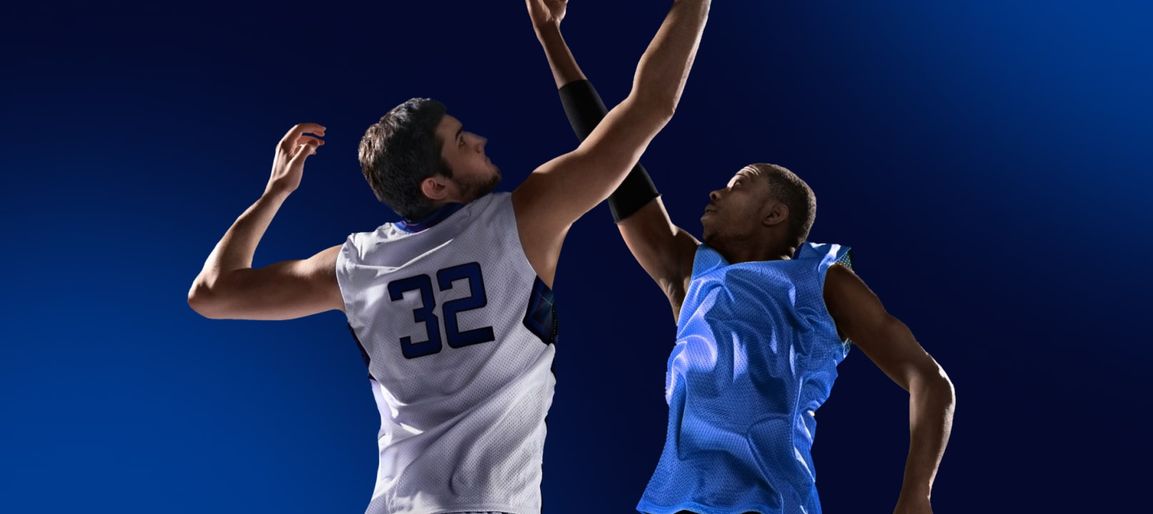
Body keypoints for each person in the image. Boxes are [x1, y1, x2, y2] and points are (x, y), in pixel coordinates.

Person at [187, 2, 711, 513]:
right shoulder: (523, 219)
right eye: (462, 141)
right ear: (436, 185)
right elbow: (651, 105)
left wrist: (275, 192)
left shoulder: (353, 267)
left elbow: (211, 294)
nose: (480, 139)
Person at [527, 1, 955, 513]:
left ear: (775, 215)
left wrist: (916, 493)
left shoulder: (820, 280)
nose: (715, 192)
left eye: (738, 185)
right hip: (671, 505)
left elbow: (928, 379)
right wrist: (551, 37)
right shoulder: (688, 272)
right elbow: (609, 154)